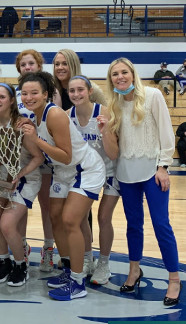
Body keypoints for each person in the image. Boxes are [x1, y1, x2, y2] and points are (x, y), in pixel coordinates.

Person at [19, 71, 105, 301]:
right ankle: (69, 271)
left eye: (34, 92)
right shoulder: (33, 117)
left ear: (46, 94)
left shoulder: (54, 114)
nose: (29, 97)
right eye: (25, 93)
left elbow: (66, 156)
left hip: (84, 169)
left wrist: (36, 139)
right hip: (63, 172)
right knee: (55, 217)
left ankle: (78, 282)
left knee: (69, 220)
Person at [104, 57, 181, 306]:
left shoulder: (152, 95)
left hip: (152, 170)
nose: (120, 77)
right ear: (111, 79)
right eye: (115, 74)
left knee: (161, 225)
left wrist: (163, 166)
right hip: (126, 172)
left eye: (124, 72)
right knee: (133, 225)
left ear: (133, 73)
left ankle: (174, 278)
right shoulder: (113, 104)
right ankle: (134, 269)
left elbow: (166, 133)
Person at [0, 83, 43, 286]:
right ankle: (4, 262)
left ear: (11, 101)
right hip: (1, 177)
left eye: (2, 97)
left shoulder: (22, 125)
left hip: (25, 178)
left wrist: (20, 174)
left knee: (7, 225)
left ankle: (21, 265)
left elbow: (38, 157)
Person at [66, 75, 120, 285]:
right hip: (84, 173)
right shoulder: (66, 116)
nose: (76, 94)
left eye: (80, 90)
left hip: (108, 171)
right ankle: (87, 258)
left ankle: (104, 263)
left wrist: (105, 131)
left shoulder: (104, 112)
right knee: (80, 218)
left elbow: (114, 153)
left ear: (89, 91)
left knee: (104, 218)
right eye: (72, 91)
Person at [14, 49, 53, 272]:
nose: (27, 67)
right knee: (21, 206)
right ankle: (22, 246)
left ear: (39, 65)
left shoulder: (49, 93)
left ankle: (48, 249)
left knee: (46, 207)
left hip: (47, 157)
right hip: (24, 160)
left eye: (31, 64)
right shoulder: (16, 93)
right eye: (23, 65)